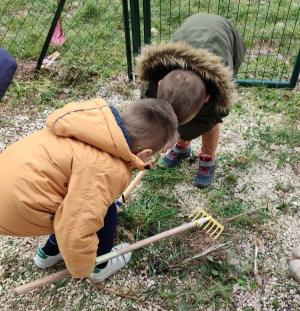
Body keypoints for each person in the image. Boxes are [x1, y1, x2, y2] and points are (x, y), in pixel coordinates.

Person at [0, 98, 178, 282]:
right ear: (144, 153)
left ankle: (49, 253)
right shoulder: (107, 170)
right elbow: (75, 227)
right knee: (104, 214)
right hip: (13, 210)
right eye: (154, 156)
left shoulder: (90, 123)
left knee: (72, 195)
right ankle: (101, 266)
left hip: (9, 179)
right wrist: (82, 267)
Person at [134, 13, 246, 188]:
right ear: (161, 83)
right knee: (178, 114)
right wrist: (164, 135)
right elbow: (149, 110)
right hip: (191, 28)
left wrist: (175, 133)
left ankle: (208, 156)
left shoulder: (217, 93)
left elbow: (210, 120)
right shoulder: (154, 77)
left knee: (209, 123)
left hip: (227, 38)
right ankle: (183, 146)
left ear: (207, 98)